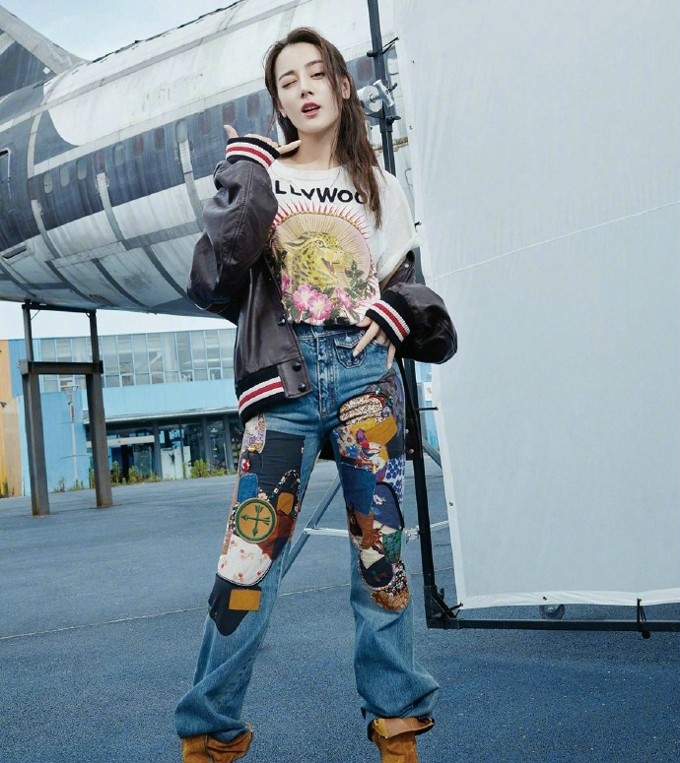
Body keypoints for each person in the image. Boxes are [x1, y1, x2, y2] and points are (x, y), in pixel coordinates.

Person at [175, 26, 456, 763]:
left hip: (365, 382)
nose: (303, 88)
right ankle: (209, 731)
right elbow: (215, 276)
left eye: (316, 73)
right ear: (278, 102)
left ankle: (398, 730)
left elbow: (402, 278)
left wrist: (394, 313)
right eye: (287, 81)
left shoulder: (377, 185)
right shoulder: (262, 171)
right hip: (286, 382)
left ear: (341, 85)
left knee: (381, 560)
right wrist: (246, 174)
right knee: (246, 565)